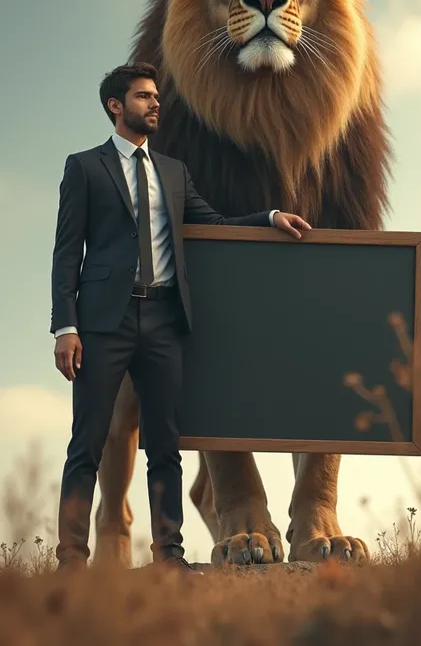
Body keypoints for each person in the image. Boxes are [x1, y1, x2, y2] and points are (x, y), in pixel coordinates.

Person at [51, 62, 311, 574]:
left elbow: (212, 223)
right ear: (115, 107)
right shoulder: (83, 168)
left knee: (166, 444)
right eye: (144, 97)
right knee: (87, 440)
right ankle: (71, 559)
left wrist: (268, 219)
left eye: (156, 97)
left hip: (165, 317)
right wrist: (66, 326)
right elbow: (66, 254)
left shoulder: (172, 171)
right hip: (107, 320)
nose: (155, 105)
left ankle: (169, 554)